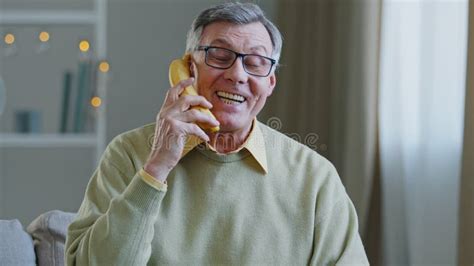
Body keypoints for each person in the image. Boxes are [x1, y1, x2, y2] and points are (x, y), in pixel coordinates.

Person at [65, 2, 369, 265]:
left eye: (255, 63)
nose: (237, 75)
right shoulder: (128, 154)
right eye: (220, 56)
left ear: (270, 84)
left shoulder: (315, 177)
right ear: (187, 68)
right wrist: (157, 166)